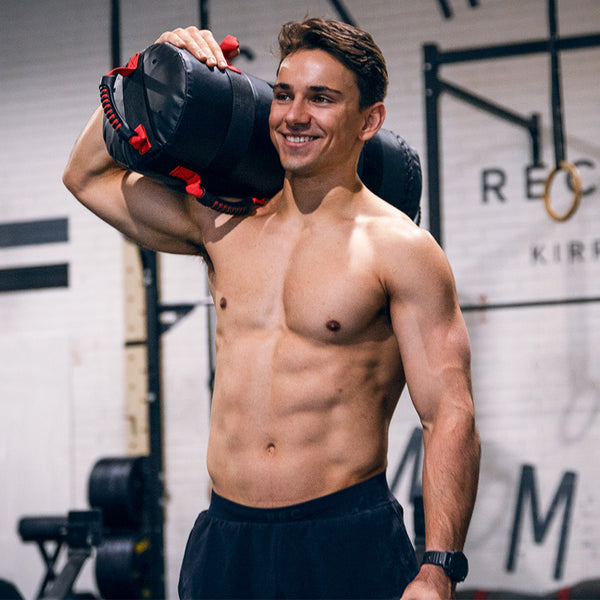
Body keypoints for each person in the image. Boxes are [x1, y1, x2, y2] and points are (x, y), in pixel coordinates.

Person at [63, 17, 480, 600]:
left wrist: (437, 570)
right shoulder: (221, 224)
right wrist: (147, 67)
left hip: (343, 535)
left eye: (322, 98)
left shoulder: (400, 249)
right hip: (227, 537)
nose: (294, 115)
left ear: (370, 120)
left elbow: (449, 414)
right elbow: (85, 175)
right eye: (284, 94)